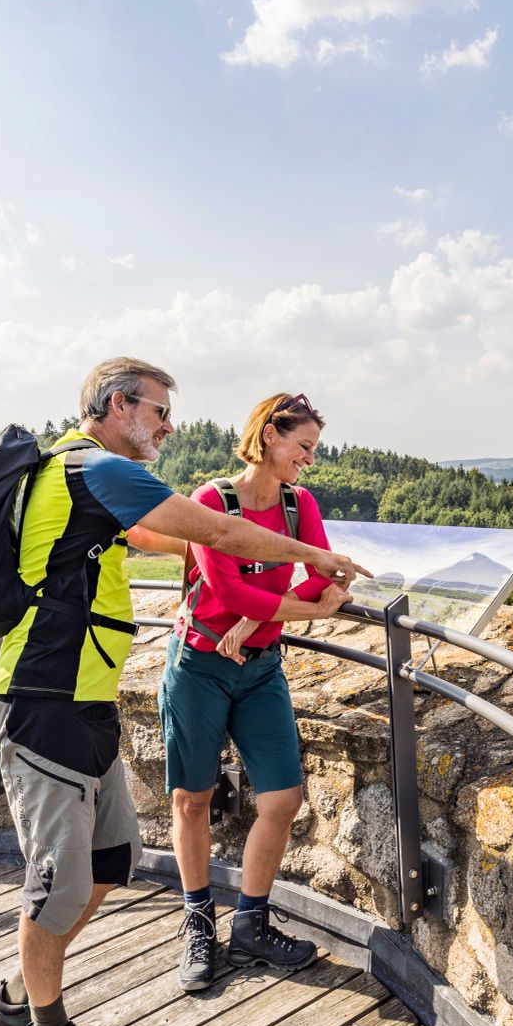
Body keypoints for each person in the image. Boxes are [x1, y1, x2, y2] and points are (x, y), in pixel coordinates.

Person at [0, 360, 367, 1026]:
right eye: (158, 410)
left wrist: (265, 588)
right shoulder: (96, 468)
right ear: (118, 406)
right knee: (57, 885)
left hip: (83, 701)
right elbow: (213, 531)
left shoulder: (93, 483)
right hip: (42, 701)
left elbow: (163, 538)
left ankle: (18, 1001)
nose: (168, 425)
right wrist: (314, 561)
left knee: (106, 864)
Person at [160, 392, 350, 992]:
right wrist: (292, 613)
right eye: (304, 446)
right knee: (192, 800)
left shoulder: (301, 506)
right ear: (270, 435)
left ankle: (250, 924)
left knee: (284, 798)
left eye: (314, 450)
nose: (309, 460)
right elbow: (229, 595)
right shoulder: (211, 504)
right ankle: (197, 922)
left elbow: (326, 574)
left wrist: (263, 622)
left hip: (260, 666)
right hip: (199, 664)